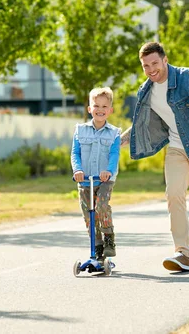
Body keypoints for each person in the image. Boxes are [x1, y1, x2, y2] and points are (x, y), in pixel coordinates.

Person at [121, 42, 189, 272]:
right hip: (176, 149)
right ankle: (183, 253)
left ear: (165, 60)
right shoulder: (146, 91)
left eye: (154, 63)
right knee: (173, 195)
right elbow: (140, 126)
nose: (151, 69)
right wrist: (115, 140)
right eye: (145, 66)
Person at [71, 87, 121, 259]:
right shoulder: (80, 130)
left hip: (104, 179)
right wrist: (77, 169)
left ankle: (108, 238)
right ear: (89, 109)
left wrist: (108, 171)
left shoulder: (114, 133)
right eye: (96, 106)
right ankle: (97, 245)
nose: (100, 110)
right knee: (88, 214)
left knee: (101, 206)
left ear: (110, 110)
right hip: (85, 179)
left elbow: (114, 154)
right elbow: (75, 153)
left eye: (104, 106)